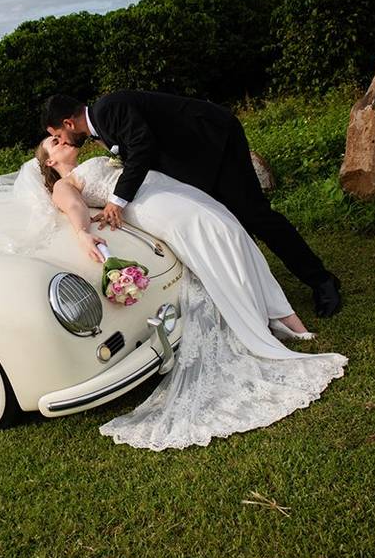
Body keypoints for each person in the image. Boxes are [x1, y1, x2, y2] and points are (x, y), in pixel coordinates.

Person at [35, 136, 347, 450]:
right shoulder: (64, 184)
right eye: (54, 142)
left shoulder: (99, 157)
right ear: (49, 162)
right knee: (218, 235)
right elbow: (74, 205)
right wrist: (83, 233)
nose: (63, 140)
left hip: (164, 192)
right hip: (153, 207)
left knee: (232, 231)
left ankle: (286, 318)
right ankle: (260, 322)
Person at [41, 91, 343, 318]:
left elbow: (142, 148)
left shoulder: (109, 108)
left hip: (214, 140)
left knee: (255, 215)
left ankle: (322, 281)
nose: (63, 140)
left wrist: (117, 201)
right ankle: (255, 292)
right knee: (226, 222)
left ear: (69, 122)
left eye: (58, 135)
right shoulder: (102, 125)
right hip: (195, 163)